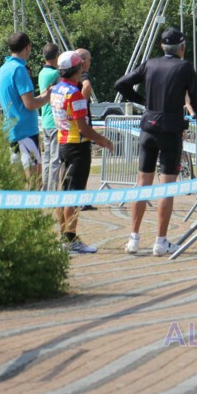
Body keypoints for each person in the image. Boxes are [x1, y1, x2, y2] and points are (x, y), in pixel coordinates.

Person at [113, 27, 197, 256]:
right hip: (170, 131)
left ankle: (133, 239)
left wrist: (143, 101)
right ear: (182, 47)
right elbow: (195, 96)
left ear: (161, 46)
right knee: (167, 188)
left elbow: (120, 84)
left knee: (142, 184)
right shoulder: (185, 67)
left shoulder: (150, 63)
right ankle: (161, 241)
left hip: (148, 128)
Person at [50, 50, 114, 253]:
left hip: (62, 143)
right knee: (74, 194)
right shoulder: (74, 93)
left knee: (64, 193)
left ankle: (64, 236)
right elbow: (83, 128)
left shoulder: (56, 89)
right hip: (77, 147)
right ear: (77, 69)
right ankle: (71, 239)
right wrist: (103, 141)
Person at [0, 32, 53, 177]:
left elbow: (17, 101)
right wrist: (48, 97)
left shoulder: (3, 69)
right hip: (26, 132)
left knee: (18, 181)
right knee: (35, 180)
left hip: (11, 130)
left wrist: (43, 95)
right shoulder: (19, 69)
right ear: (28, 47)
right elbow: (30, 104)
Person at [37, 43, 62, 191]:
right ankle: (52, 191)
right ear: (56, 56)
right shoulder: (55, 74)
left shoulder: (42, 73)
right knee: (55, 159)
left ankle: (45, 189)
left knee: (46, 159)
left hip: (45, 120)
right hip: (55, 121)